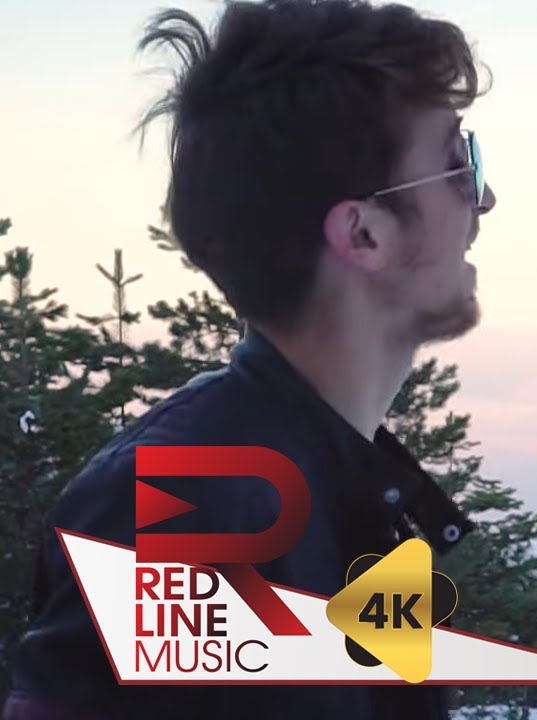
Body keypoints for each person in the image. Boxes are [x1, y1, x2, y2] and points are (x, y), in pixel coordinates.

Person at [2, 0, 497, 718]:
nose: (485, 197)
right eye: (458, 162)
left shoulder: (348, 491)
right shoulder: (183, 513)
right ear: (363, 233)